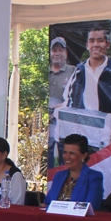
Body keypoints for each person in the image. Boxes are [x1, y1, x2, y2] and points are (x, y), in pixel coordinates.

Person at [62, 26, 111, 144]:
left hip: (106, 133)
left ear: (107, 44)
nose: (96, 45)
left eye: (100, 40)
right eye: (92, 41)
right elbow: (68, 99)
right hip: (81, 132)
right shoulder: (79, 70)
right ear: (87, 45)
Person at [43, 133, 104, 209]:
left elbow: (90, 207)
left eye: (72, 153)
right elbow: (47, 203)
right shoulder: (59, 176)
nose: (67, 156)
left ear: (84, 156)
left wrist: (56, 208)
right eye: (65, 152)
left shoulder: (94, 177)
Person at [47, 38, 75, 167]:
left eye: (60, 50)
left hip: (66, 123)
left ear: (66, 53)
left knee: (66, 155)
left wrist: (61, 107)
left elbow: (78, 98)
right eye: (54, 50)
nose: (57, 53)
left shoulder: (74, 71)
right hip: (46, 124)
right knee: (47, 158)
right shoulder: (43, 71)